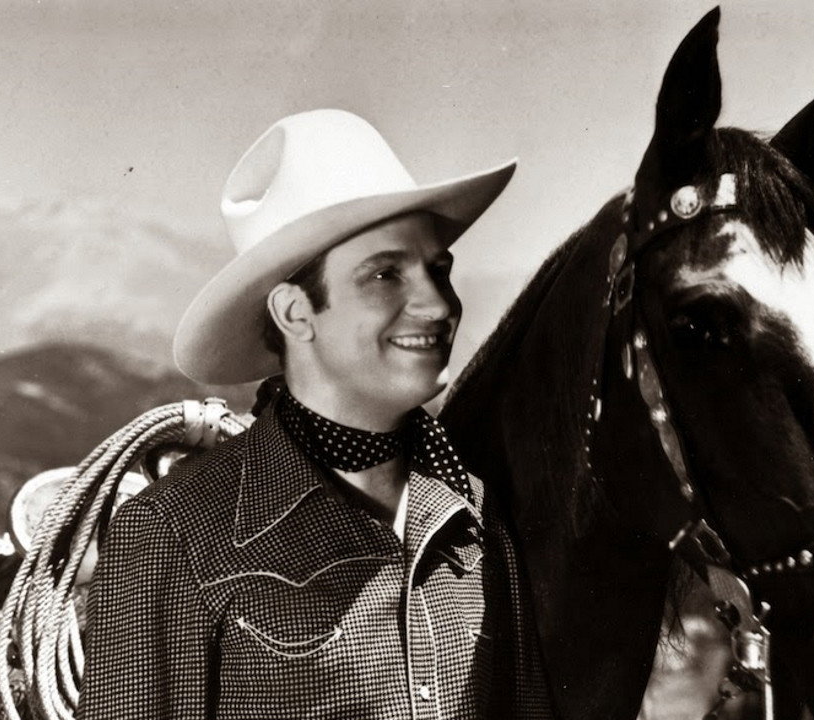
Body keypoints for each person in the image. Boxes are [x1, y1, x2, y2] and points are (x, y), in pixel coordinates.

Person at [76, 109, 552, 719]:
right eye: (385, 274)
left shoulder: (477, 517)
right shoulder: (171, 533)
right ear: (295, 313)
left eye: (439, 270)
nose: (438, 305)